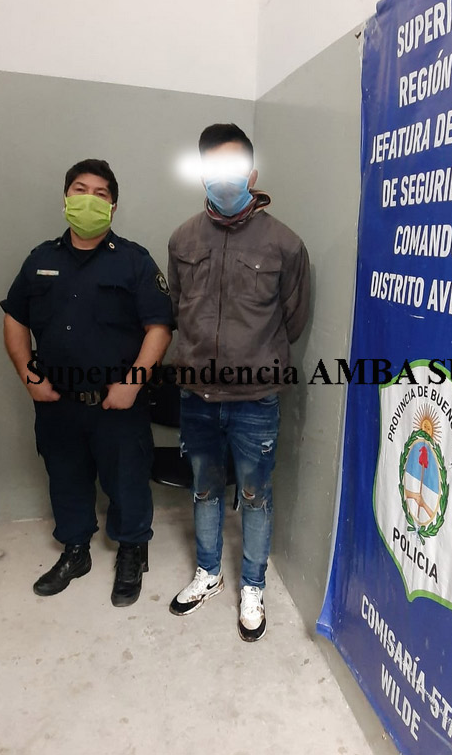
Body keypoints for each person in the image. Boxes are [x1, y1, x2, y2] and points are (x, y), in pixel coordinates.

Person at [1, 159, 173, 606]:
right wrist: (28, 376)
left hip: (117, 402)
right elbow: (15, 318)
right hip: (56, 400)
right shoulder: (40, 259)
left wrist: (132, 384)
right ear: (65, 198)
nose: (89, 200)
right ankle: (75, 551)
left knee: (127, 480)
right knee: (65, 478)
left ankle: (132, 551)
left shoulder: (134, 261)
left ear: (112, 207)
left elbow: (159, 328)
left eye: (100, 194)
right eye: (80, 190)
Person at [167, 124, 310, 641]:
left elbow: (293, 319)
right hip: (198, 397)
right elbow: (178, 308)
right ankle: (208, 573)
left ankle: (252, 585)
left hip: (255, 400)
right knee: (204, 488)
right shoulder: (183, 239)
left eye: (233, 168)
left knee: (254, 494)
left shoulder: (284, 244)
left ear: (252, 174)